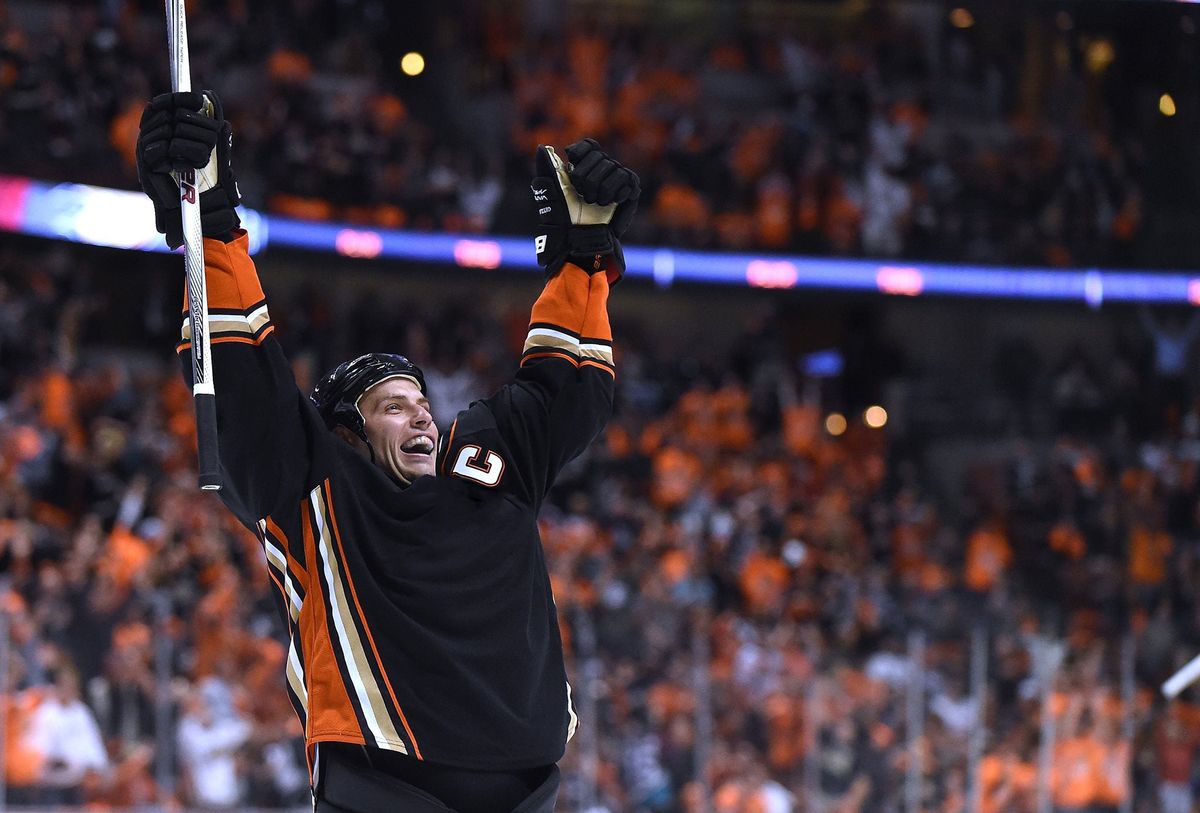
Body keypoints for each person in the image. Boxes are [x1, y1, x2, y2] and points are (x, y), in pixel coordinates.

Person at [136, 90, 640, 813]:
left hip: (527, 793)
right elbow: (245, 385)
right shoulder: (315, 485)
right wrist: (210, 223)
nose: (423, 416)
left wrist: (583, 260)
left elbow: (566, 391)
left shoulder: (486, 474)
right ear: (348, 433)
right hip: (381, 791)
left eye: (422, 402)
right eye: (393, 406)